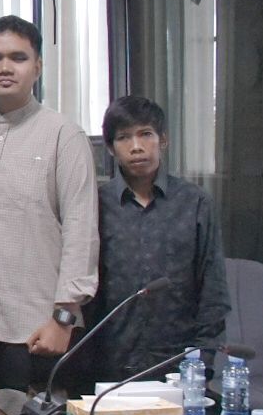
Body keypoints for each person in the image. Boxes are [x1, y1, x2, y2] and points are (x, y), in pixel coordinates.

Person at [0, 15, 98, 392]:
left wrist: (63, 319)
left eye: (18, 58)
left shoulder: (64, 136)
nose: (5, 67)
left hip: (35, 330)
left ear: (37, 66)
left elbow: (81, 232)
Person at [91, 95, 229, 378]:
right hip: (108, 361)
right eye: (124, 138)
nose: (136, 146)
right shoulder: (95, 204)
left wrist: (204, 358)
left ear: (163, 140)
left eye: (146, 134)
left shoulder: (195, 202)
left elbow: (212, 286)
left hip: (178, 361)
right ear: (111, 148)